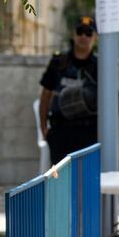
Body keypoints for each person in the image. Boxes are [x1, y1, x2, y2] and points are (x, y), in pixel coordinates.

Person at [38, 16, 100, 165]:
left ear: (95, 37)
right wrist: (44, 129)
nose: (83, 36)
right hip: (60, 132)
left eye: (88, 33)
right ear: (74, 34)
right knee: (62, 184)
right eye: (80, 31)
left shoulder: (99, 66)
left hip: (89, 133)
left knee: (87, 183)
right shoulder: (59, 62)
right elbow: (45, 96)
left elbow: (116, 101)